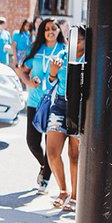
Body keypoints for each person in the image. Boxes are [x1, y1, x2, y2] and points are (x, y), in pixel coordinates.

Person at [21, 19, 66, 194]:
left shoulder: (63, 50)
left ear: (58, 31)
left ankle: (45, 178)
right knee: (32, 141)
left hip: (55, 104)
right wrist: (28, 82)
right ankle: (43, 164)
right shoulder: (36, 49)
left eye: (53, 28)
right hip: (35, 102)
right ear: (42, 32)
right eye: (46, 29)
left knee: (50, 144)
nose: (50, 31)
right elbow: (23, 70)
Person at [45, 26, 85, 212]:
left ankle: (75, 196)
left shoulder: (90, 57)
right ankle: (63, 190)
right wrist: (53, 72)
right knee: (52, 151)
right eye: (71, 38)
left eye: (79, 39)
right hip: (60, 104)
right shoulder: (61, 54)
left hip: (81, 106)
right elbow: (50, 82)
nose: (73, 43)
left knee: (74, 154)